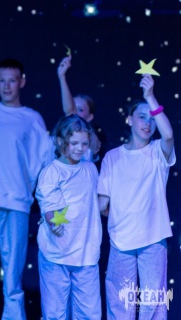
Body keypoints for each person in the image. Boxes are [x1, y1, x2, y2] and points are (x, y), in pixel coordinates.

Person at [0, 58, 53, 320]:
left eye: (12, 80)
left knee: (13, 284)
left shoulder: (31, 119)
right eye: (2, 80)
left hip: (16, 205)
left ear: (22, 82)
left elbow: (44, 162)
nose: (6, 86)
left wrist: (29, 188)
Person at [98, 74, 175, 319]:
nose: (147, 123)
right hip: (121, 239)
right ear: (129, 119)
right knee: (121, 302)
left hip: (152, 239)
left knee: (153, 302)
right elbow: (102, 203)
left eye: (151, 118)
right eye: (142, 117)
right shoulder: (112, 157)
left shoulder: (158, 152)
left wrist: (150, 97)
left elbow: (168, 135)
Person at [35, 114, 102, 319]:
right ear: (60, 141)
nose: (80, 148)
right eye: (74, 143)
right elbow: (49, 205)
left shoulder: (90, 169)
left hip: (86, 254)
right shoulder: (51, 172)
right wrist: (53, 222)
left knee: (89, 314)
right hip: (56, 255)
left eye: (84, 143)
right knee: (55, 313)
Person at [57, 55, 107, 166]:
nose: (75, 111)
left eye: (80, 109)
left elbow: (71, 113)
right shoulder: (57, 138)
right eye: (73, 105)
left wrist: (62, 77)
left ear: (90, 117)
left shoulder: (92, 140)